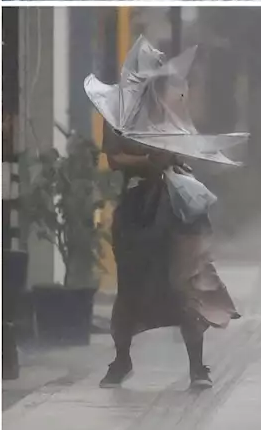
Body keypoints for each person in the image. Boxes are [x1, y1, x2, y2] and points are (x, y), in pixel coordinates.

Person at [99, 124, 239, 389]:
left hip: (175, 204)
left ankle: (197, 367)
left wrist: (173, 155)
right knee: (130, 286)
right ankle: (122, 359)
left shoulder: (168, 106)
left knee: (184, 282)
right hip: (136, 207)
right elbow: (114, 158)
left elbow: (187, 148)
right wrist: (148, 159)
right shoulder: (119, 113)